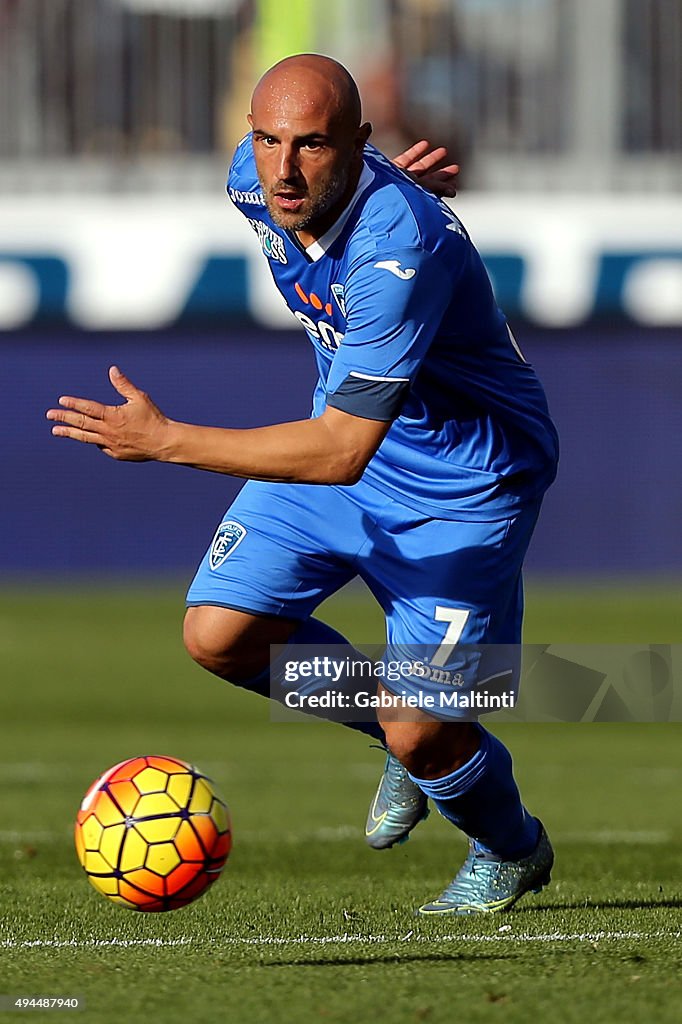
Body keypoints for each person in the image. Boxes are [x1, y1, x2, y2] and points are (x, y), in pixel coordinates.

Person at [48, 53, 559, 915]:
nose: (282, 170)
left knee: (427, 727)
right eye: (267, 140)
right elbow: (340, 444)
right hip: (348, 448)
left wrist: (168, 439)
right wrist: (378, 174)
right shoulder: (254, 180)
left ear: (359, 141)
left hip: (461, 490)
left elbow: (338, 452)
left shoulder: (401, 252)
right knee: (219, 636)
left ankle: (510, 846)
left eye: (314, 145)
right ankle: (396, 742)